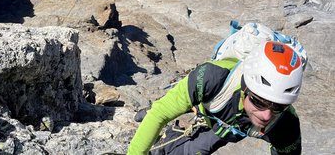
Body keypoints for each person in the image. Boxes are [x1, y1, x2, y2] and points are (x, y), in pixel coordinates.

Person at [127, 41, 304, 154]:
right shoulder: (212, 77)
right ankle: (183, 111)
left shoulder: (286, 125)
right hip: (215, 104)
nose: (266, 116)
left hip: (225, 126)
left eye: (278, 107)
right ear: (244, 87)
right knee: (165, 111)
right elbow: (160, 113)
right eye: (258, 102)